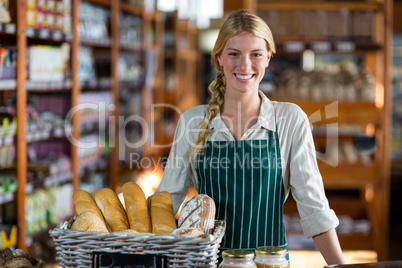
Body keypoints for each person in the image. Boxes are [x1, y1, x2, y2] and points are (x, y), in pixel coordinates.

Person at [152, 10, 345, 265]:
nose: (245, 65)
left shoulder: (289, 119)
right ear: (219, 58)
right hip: (210, 263)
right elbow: (165, 203)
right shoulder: (193, 121)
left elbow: (314, 207)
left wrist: (341, 265)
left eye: (255, 54)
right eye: (234, 54)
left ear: (268, 57)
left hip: (270, 263)